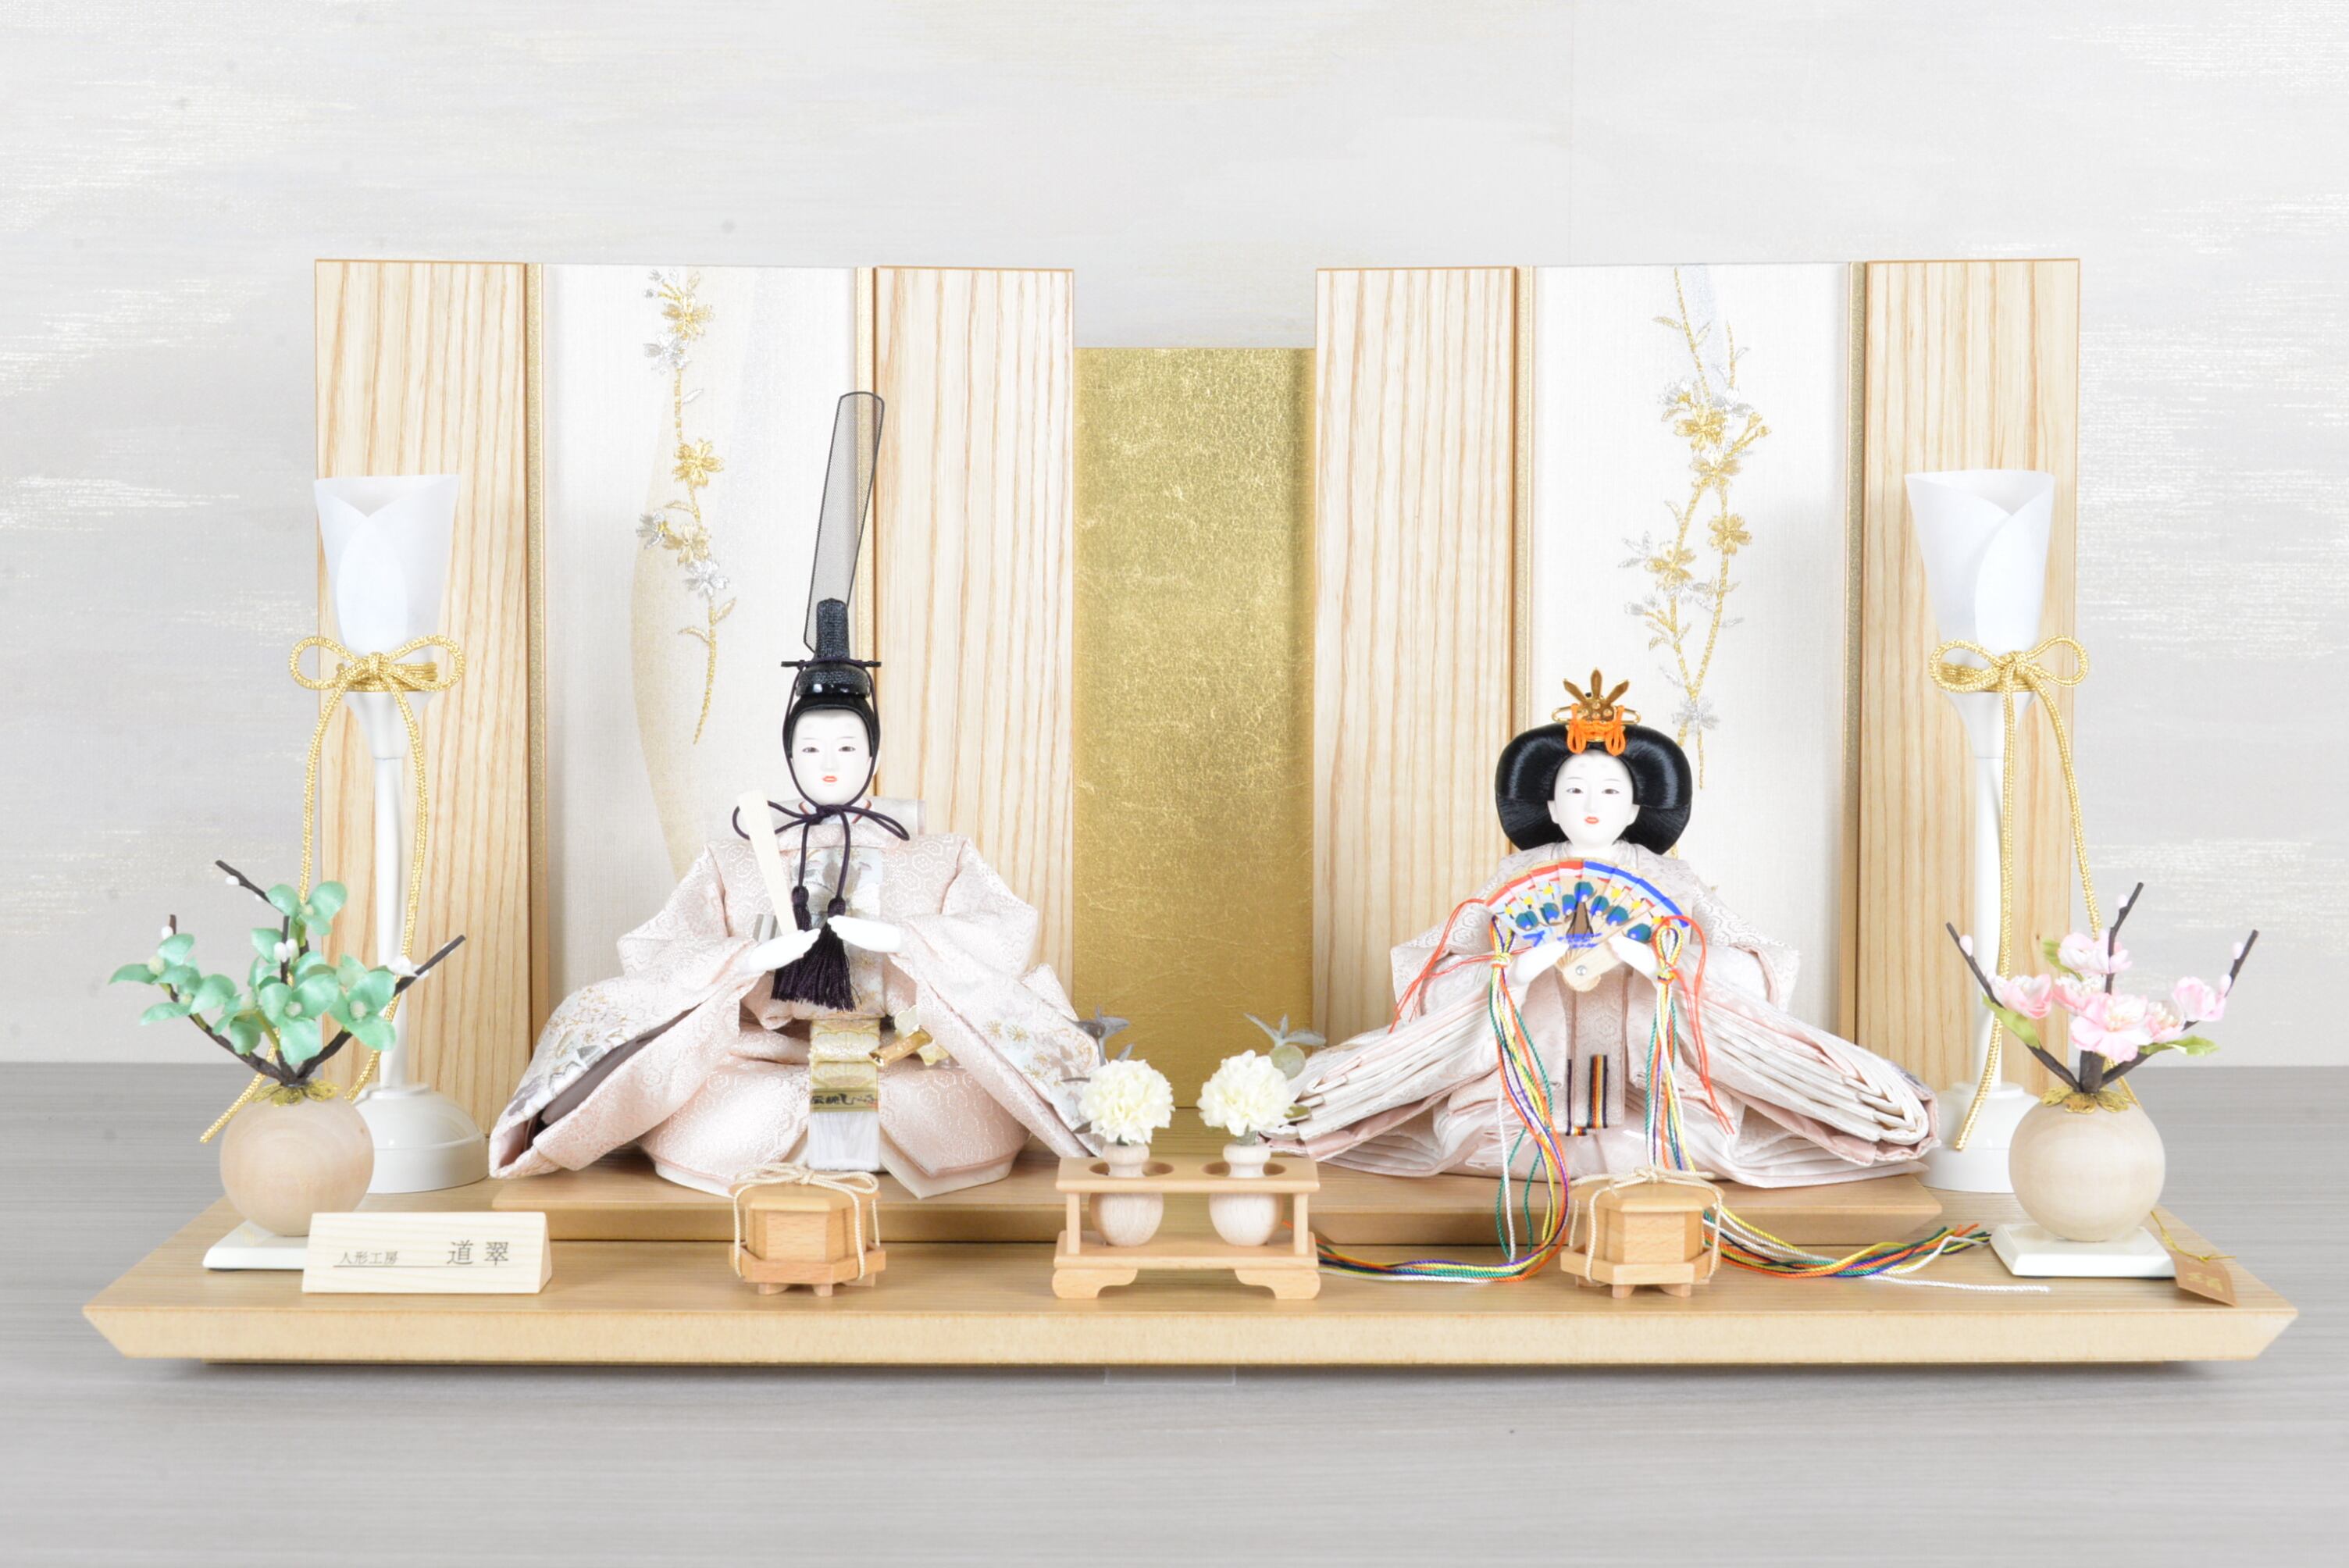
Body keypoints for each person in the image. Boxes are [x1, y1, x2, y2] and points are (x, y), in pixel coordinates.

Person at [1281, 672, 1937, 1187]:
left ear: (1634, 807)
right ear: (1548, 803)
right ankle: (1570, 1140)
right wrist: (1516, 973)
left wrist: (1660, 964)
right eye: (1574, 791)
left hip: (1648, 1078)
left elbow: (1751, 966)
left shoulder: (1671, 880)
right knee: (1480, 1137)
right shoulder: (1516, 877)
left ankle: (1626, 1140)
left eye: (1609, 793)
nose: (1591, 805)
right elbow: (1432, 973)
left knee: (1690, 1138)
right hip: (1533, 1075)